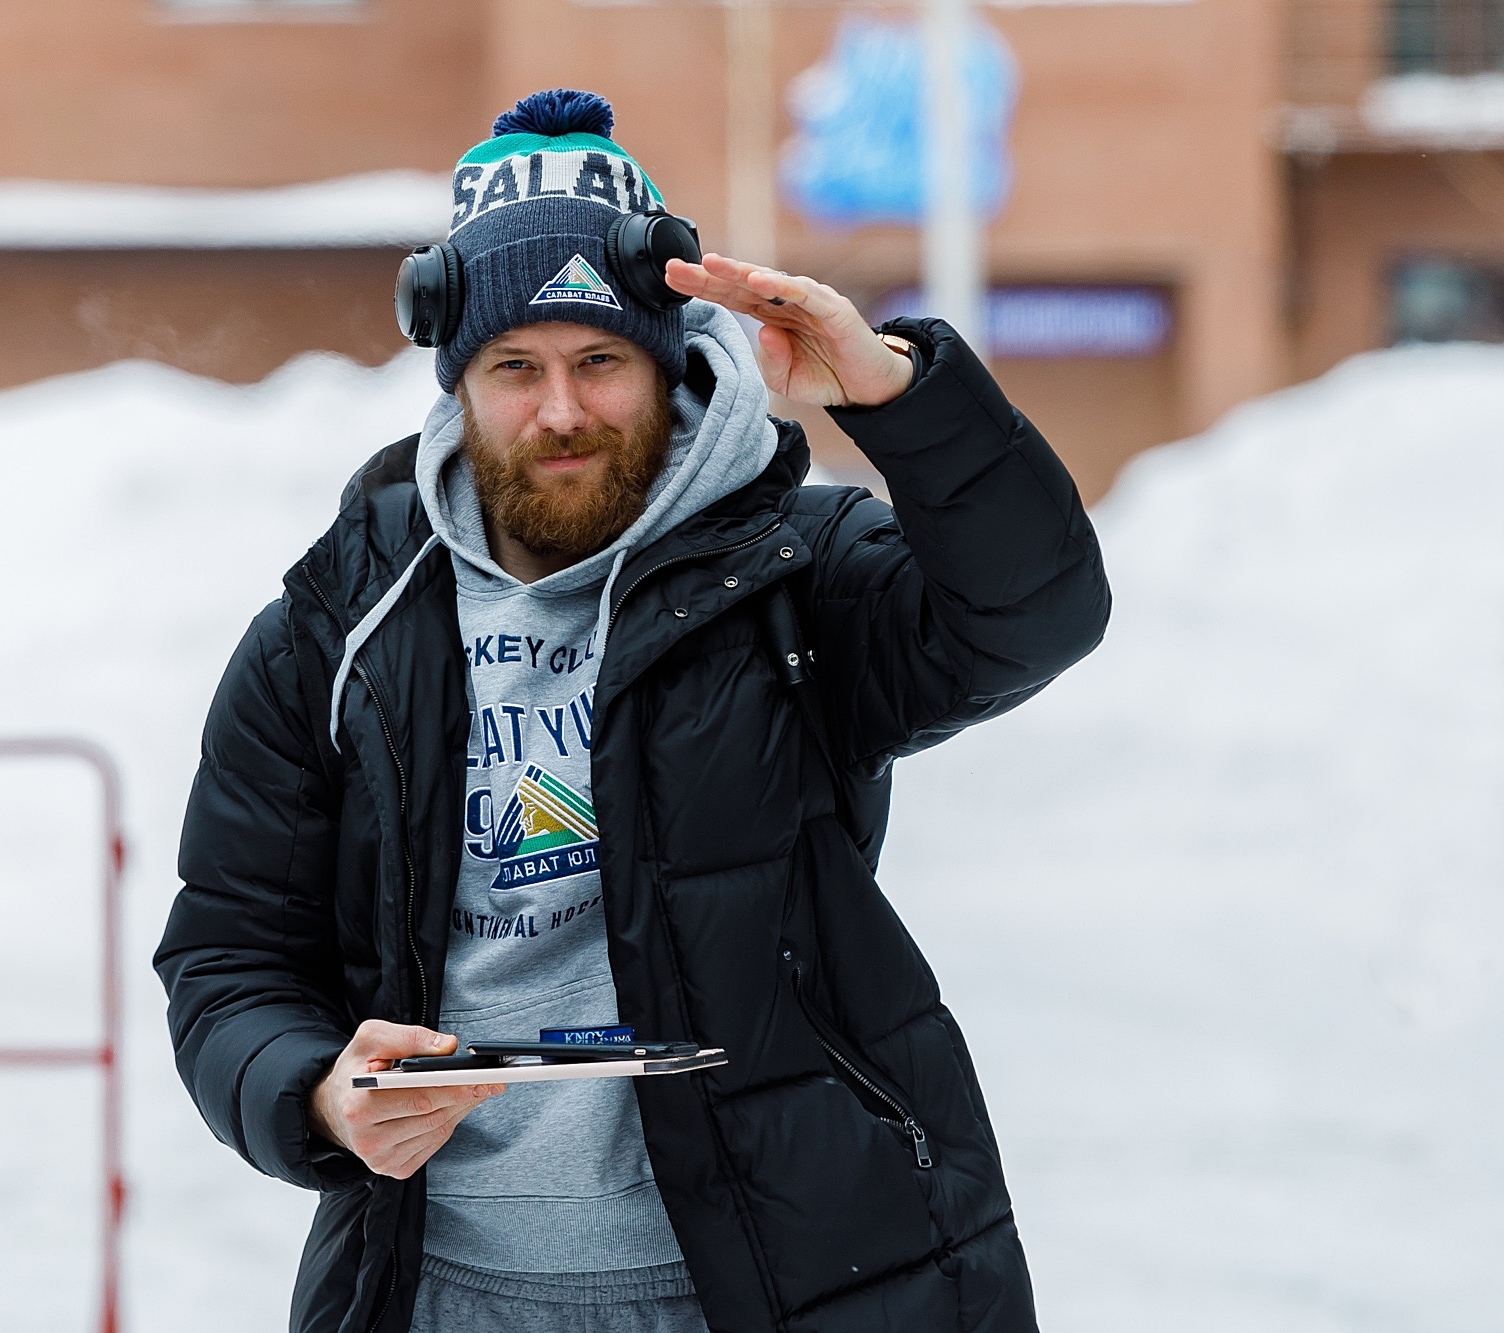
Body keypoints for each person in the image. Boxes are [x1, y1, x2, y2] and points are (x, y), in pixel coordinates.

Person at [157, 88, 1110, 1333]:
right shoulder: (344, 624)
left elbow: (1029, 614)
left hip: (780, 1286)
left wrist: (890, 395)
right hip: (440, 1290)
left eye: (599, 360)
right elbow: (228, 953)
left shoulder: (791, 571)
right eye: (516, 368)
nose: (560, 411)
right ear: (458, 384)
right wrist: (316, 1095)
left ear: (662, 367)